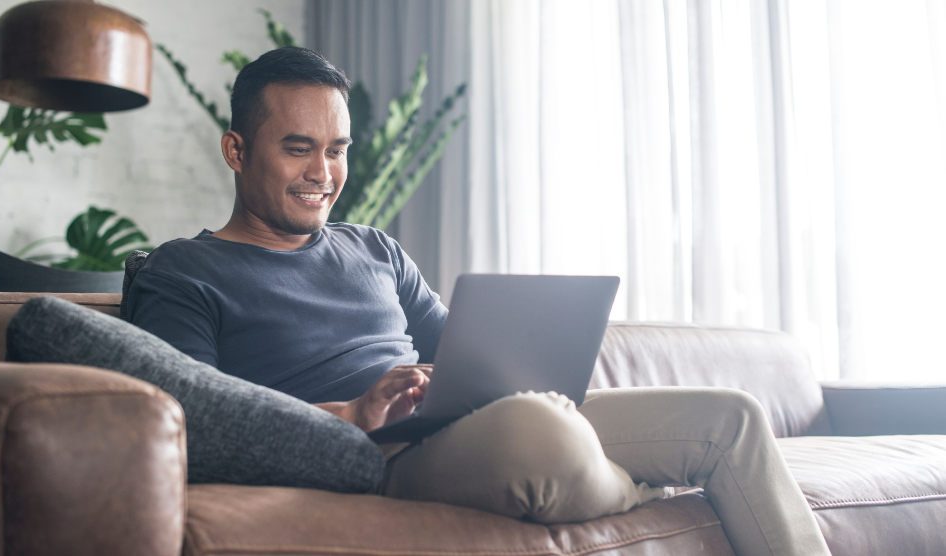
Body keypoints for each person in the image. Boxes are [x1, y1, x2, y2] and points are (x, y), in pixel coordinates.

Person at [128, 46, 831, 556]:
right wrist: (351, 413)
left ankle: (604, 466)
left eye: (338, 149)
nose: (324, 173)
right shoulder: (184, 272)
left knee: (729, 418)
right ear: (236, 149)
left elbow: (467, 354)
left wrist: (511, 365)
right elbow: (191, 423)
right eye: (298, 148)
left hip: (474, 425)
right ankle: (639, 486)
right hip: (381, 457)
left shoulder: (375, 250)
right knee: (542, 432)